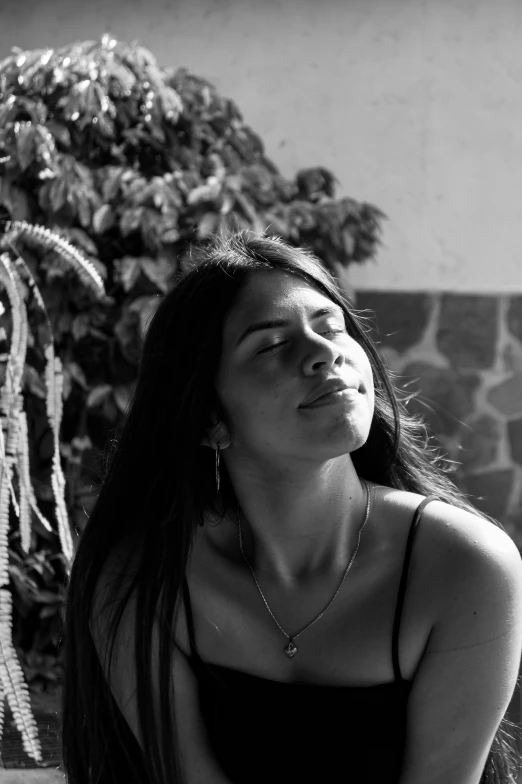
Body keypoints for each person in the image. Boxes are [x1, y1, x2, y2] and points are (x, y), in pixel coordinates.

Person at [62, 232, 522, 784]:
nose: (326, 351)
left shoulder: (464, 564)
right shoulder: (141, 575)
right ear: (209, 418)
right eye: (271, 344)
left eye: (331, 326)